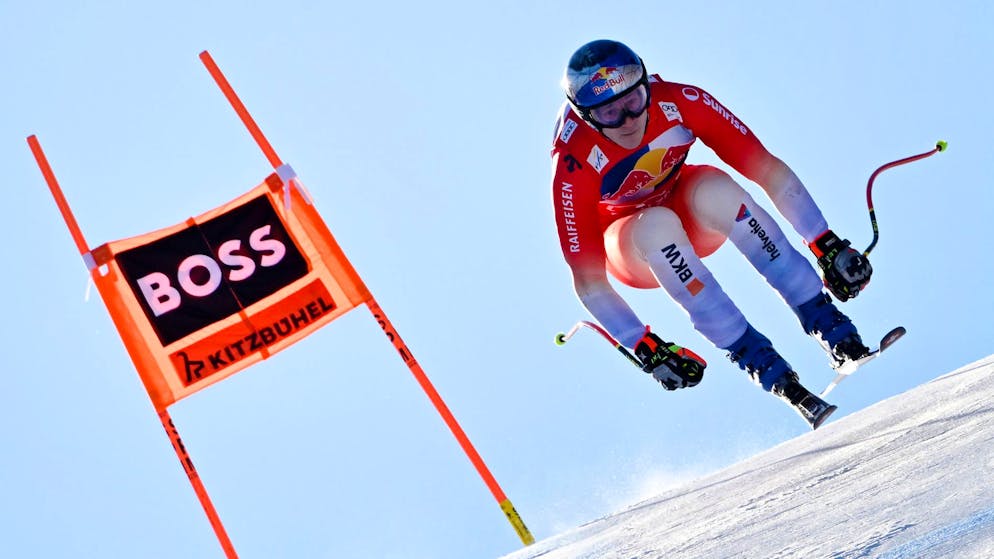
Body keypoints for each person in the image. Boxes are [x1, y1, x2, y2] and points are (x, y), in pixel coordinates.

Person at [550, 39, 873, 429]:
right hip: (633, 246)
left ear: (646, 85)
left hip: (689, 208)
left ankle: (830, 325)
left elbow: (765, 168)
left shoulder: (679, 100)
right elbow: (588, 281)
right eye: (609, 112)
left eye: (633, 101)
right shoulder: (573, 161)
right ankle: (763, 365)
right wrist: (644, 344)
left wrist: (823, 240)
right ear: (586, 116)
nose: (628, 120)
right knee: (656, 227)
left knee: (718, 190)